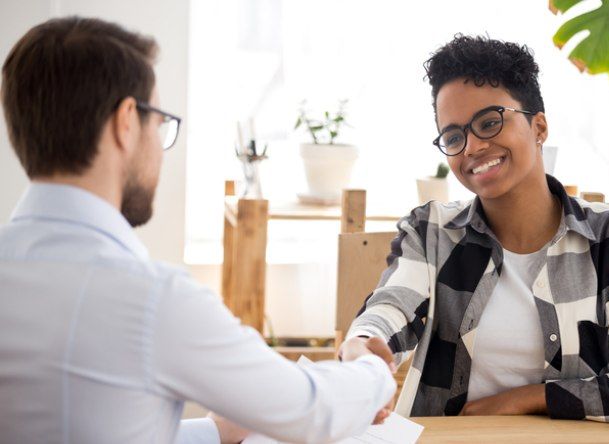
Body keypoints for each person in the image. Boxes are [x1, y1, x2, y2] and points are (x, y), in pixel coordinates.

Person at [0, 16, 395, 444]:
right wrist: (374, 370)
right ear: (127, 121)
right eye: (160, 123)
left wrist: (210, 432)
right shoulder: (149, 297)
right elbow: (310, 410)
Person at [340, 35, 609, 424]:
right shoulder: (431, 233)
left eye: (489, 122)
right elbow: (392, 305)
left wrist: (531, 398)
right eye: (454, 136)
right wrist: (361, 344)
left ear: (539, 127)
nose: (472, 147)